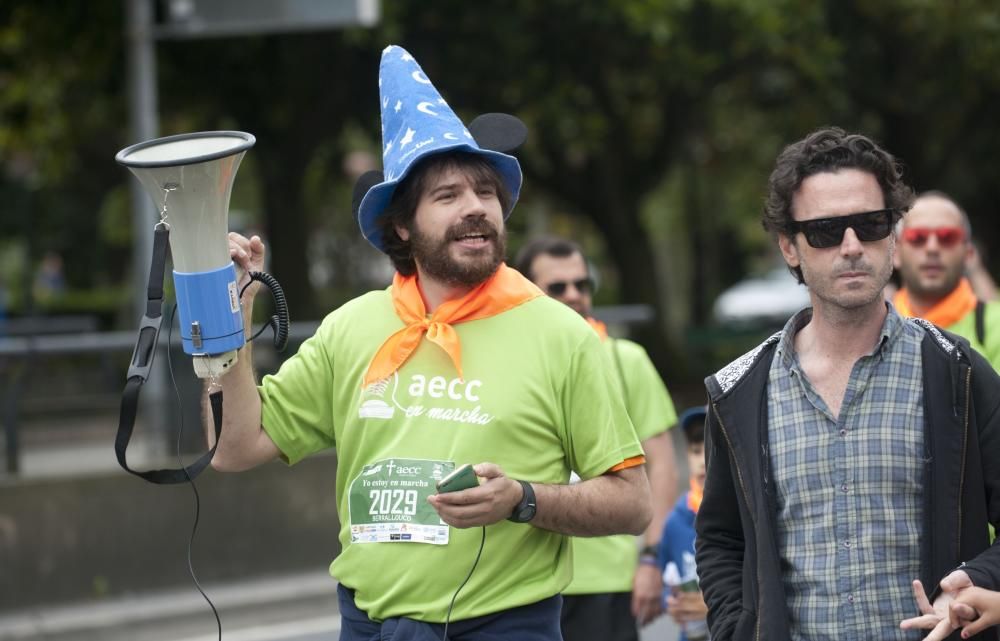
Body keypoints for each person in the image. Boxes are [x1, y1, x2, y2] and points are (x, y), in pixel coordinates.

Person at [209, 45, 651, 640]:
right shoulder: (351, 327)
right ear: (401, 223)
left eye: (485, 192)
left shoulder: (560, 333)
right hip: (369, 627)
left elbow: (633, 504)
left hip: (503, 628)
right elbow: (235, 447)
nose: (475, 208)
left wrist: (521, 499)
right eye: (448, 196)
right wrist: (230, 322)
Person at [694, 126, 1000, 641]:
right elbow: (721, 540)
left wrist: (981, 581)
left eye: (871, 224)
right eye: (826, 231)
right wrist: (736, 628)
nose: (852, 246)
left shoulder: (958, 373)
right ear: (790, 247)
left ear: (894, 234)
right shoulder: (739, 391)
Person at [514, 236, 679, 640]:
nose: (574, 295)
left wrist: (651, 559)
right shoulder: (507, 363)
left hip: (606, 581)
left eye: (582, 284)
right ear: (526, 290)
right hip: (521, 580)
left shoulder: (627, 360)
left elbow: (663, 468)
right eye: (558, 287)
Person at [893, 191, 1000, 370]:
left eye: (947, 237)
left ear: (968, 254)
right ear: (895, 253)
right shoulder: (872, 327)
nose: (932, 248)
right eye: (918, 237)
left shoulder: (995, 324)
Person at [657, 406, 709, 641]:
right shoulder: (675, 522)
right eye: (696, 451)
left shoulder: (748, 517)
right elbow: (666, 576)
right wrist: (673, 600)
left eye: (711, 449)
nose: (702, 461)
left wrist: (713, 607)